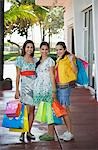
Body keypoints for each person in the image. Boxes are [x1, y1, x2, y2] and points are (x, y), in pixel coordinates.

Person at [33, 41, 56, 141]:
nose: (44, 51)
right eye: (42, 49)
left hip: (47, 88)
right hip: (40, 88)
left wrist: (54, 90)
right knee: (45, 110)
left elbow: (52, 75)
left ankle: (51, 134)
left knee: (49, 111)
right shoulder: (39, 61)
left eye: (46, 49)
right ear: (40, 50)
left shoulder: (50, 61)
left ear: (49, 50)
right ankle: (49, 132)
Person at [15, 40, 37, 142]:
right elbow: (18, 75)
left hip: (34, 87)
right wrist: (16, 90)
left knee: (32, 110)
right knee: (25, 111)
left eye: (31, 47)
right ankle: (22, 132)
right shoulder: (20, 59)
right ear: (24, 48)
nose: (29, 49)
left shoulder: (35, 60)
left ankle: (29, 131)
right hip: (25, 88)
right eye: (27, 47)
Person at [55, 41, 77, 141]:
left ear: (64, 49)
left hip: (65, 87)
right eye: (57, 50)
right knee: (62, 110)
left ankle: (70, 132)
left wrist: (72, 61)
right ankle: (68, 131)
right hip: (58, 87)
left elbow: (75, 71)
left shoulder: (69, 58)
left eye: (60, 49)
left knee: (65, 110)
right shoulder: (59, 59)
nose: (58, 51)